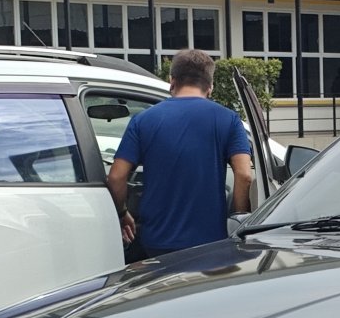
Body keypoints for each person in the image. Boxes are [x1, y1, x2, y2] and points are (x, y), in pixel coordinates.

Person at [106, 48, 254, 258]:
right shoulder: (229, 119)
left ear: (172, 81)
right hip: (210, 244)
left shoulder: (143, 120)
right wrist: (238, 220)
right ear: (210, 86)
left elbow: (116, 176)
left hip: (156, 242)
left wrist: (122, 214)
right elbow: (244, 175)